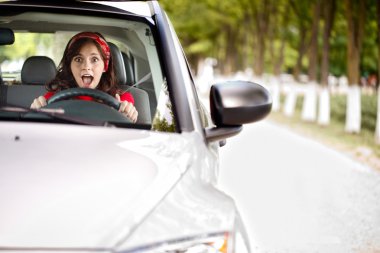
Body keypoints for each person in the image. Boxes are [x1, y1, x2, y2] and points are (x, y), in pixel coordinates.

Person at [30, 31, 138, 123]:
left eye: (94, 60)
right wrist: (35, 112)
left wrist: (127, 115)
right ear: (70, 66)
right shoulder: (53, 98)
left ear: (105, 66)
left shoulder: (121, 100)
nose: (86, 67)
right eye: (78, 59)